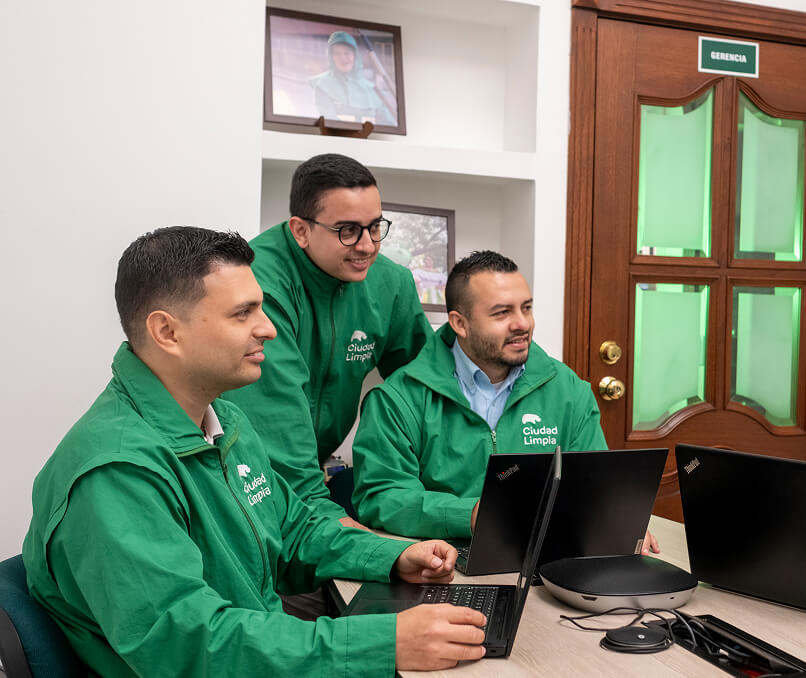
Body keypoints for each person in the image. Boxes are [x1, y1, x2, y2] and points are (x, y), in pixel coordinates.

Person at [23, 227, 486, 676]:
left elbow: (294, 530)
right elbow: (193, 645)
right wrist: (383, 644)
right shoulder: (117, 472)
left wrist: (391, 556)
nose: (268, 329)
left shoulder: (224, 421)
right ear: (167, 331)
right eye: (242, 313)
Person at [223, 153, 431, 526]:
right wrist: (342, 530)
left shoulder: (391, 282)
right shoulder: (259, 285)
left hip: (318, 472)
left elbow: (427, 389)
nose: (367, 245)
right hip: (249, 478)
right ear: (301, 230)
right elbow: (277, 429)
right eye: (347, 230)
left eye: (375, 227)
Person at [351, 251, 611, 539]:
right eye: (502, 313)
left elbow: (594, 484)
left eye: (526, 308)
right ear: (459, 323)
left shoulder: (569, 390)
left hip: (547, 555)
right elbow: (382, 497)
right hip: (444, 560)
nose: (522, 324)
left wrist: (611, 517)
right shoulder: (397, 400)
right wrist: (471, 515)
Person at [310, 31, 396, 126]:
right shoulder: (323, 86)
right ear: (331, 57)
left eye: (347, 53)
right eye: (337, 54)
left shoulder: (374, 90)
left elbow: (388, 125)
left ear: (356, 56)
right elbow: (328, 120)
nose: (343, 58)